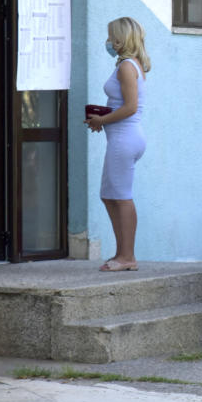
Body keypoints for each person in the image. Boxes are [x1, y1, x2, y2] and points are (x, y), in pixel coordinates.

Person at [86, 16, 150, 272]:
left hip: (124, 137)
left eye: (112, 35)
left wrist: (102, 119)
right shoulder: (130, 64)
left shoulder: (126, 66)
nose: (108, 40)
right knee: (110, 195)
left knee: (120, 196)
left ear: (121, 38)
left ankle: (127, 256)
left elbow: (130, 107)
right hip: (123, 136)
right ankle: (123, 252)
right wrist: (104, 119)